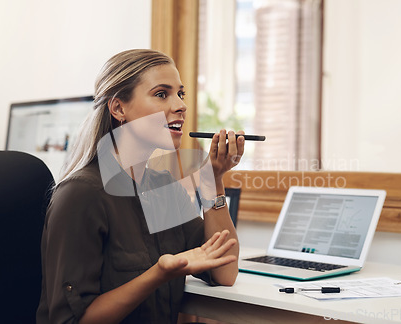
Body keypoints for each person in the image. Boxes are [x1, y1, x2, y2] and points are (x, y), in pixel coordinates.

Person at [36, 49, 245, 323]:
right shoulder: (81, 194)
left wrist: (213, 180)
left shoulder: (164, 189)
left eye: (181, 94)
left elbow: (224, 273)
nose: (181, 105)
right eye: (162, 94)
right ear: (119, 108)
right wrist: (159, 274)